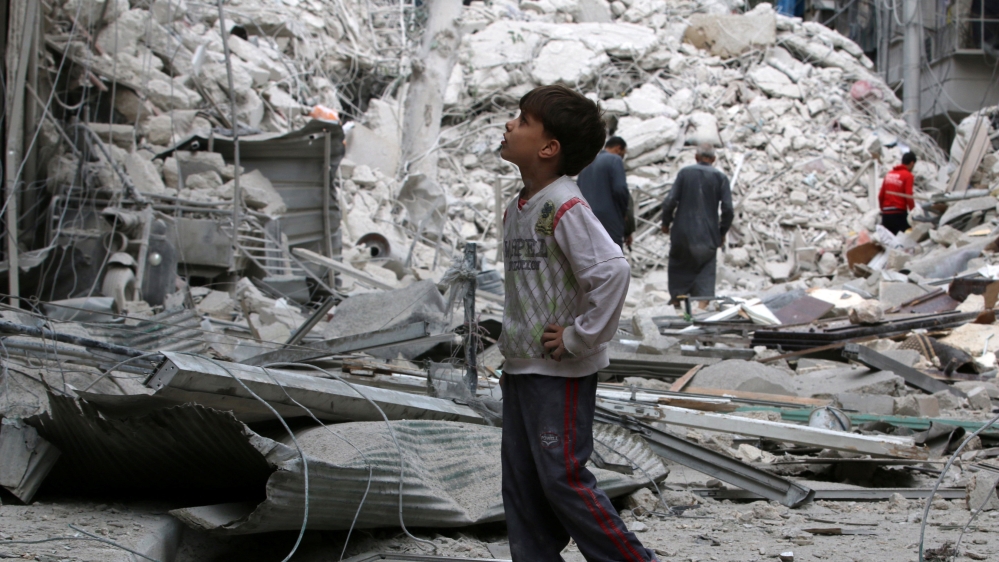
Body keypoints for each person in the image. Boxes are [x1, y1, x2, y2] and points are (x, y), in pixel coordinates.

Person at [498, 84, 657, 562]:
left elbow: (612, 271)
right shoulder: (519, 206)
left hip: (559, 374)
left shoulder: (564, 205)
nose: (510, 124)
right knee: (523, 486)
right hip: (523, 368)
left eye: (523, 120)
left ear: (549, 148)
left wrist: (579, 337)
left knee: (563, 478)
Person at [660, 144, 733, 308]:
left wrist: (666, 223)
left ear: (696, 157)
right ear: (713, 159)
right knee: (705, 270)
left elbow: (670, 201)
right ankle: (702, 307)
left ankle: (678, 303)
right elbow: (728, 209)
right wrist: (722, 232)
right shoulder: (721, 178)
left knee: (679, 267)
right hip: (707, 235)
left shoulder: (685, 173)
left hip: (682, 233)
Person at [577, 136, 634, 249]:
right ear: (618, 148)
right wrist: (624, 212)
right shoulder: (615, 160)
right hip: (609, 222)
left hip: (585, 221)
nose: (622, 156)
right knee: (612, 260)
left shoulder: (586, 164)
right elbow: (620, 188)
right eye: (623, 153)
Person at [878, 152, 917, 235]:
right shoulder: (908, 175)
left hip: (886, 215)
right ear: (912, 163)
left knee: (889, 242)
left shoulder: (889, 174)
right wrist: (913, 212)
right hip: (899, 214)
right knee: (903, 241)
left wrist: (883, 209)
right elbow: (909, 195)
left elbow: (880, 195)